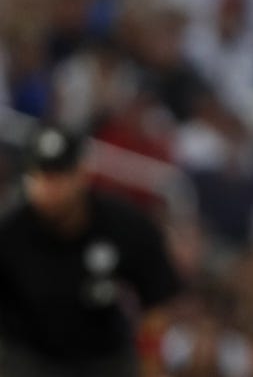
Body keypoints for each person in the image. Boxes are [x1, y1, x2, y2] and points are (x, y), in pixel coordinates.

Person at [0, 122, 183, 377]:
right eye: (39, 175)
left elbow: (157, 299)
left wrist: (151, 361)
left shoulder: (122, 226)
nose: (48, 187)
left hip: (104, 358)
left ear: (81, 173)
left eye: (59, 175)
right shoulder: (9, 234)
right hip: (30, 359)